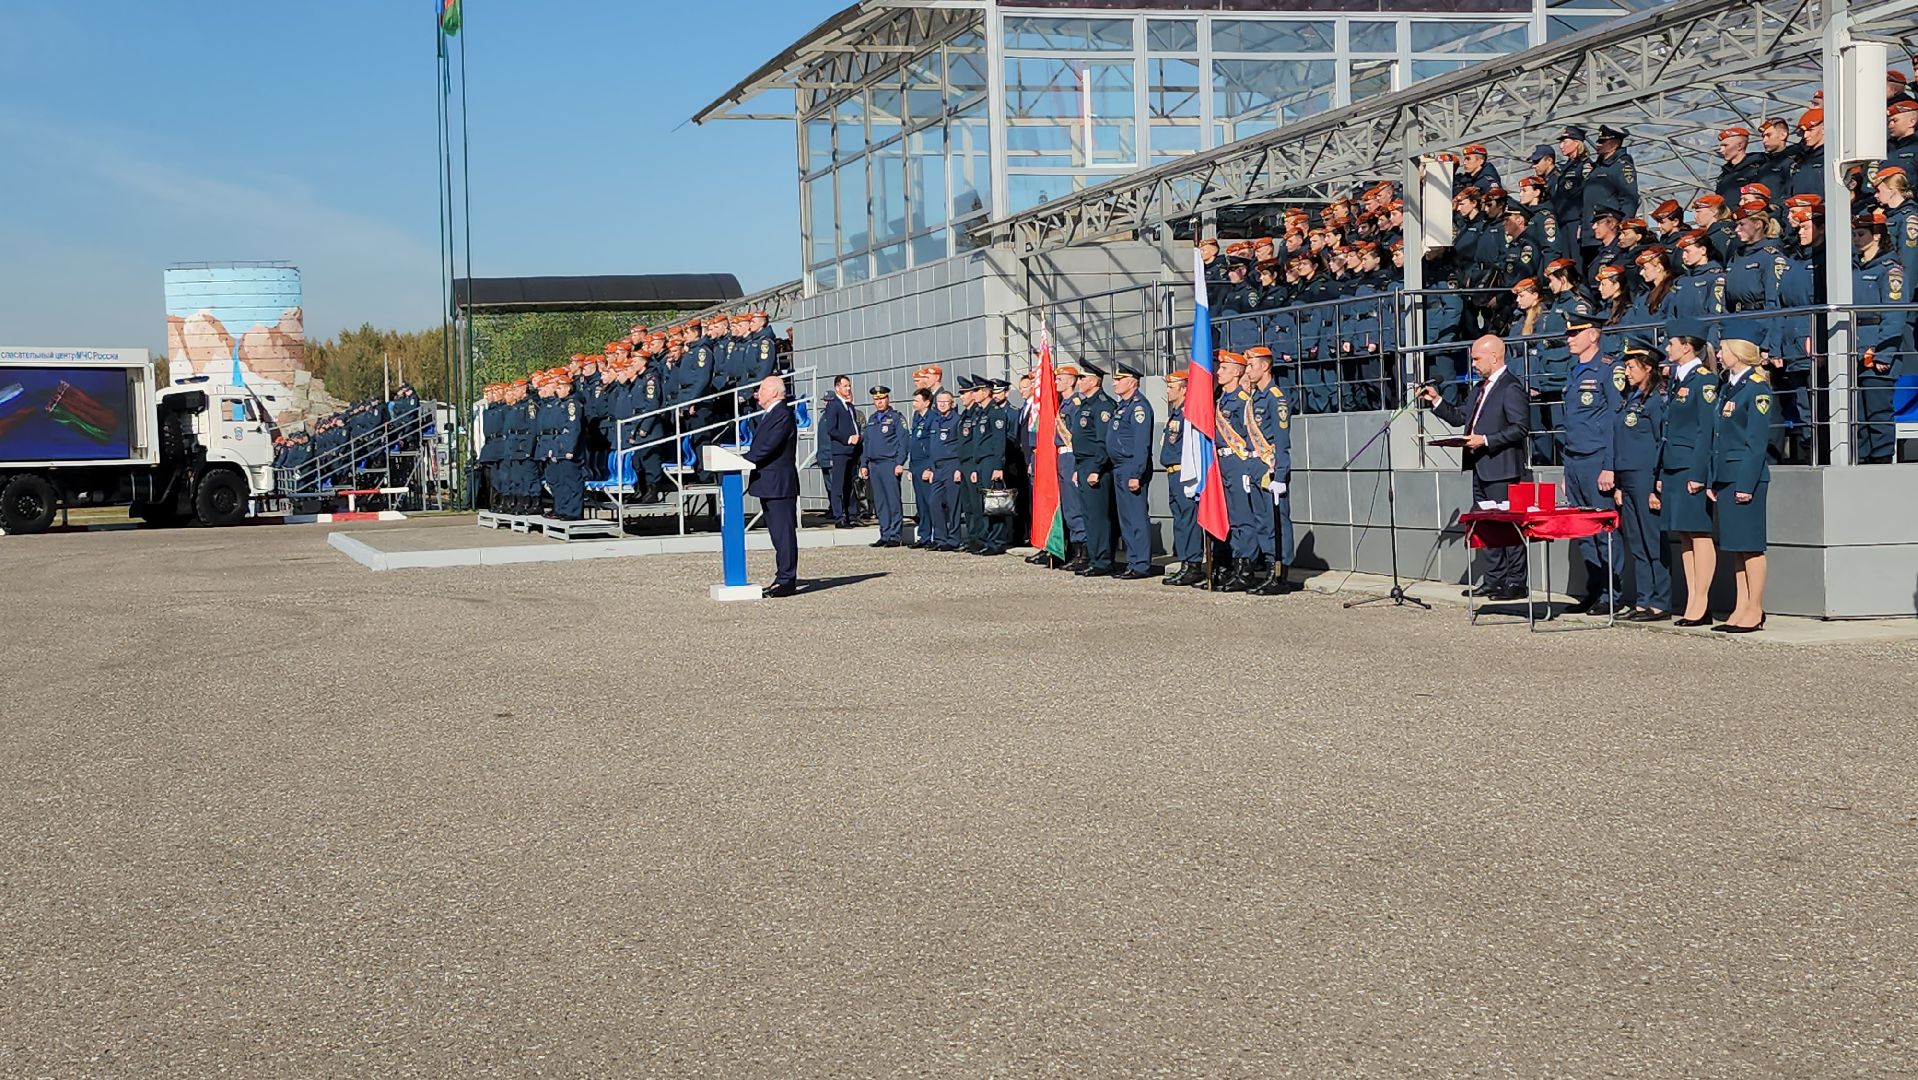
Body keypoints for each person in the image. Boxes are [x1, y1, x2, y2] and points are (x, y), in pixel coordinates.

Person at [1418, 335, 1531, 600]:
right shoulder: (1480, 389)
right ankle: (1494, 579)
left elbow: (1520, 428)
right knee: (1486, 525)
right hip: (1480, 466)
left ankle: (1516, 581)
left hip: (1503, 468)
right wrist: (1436, 401)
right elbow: (1460, 417)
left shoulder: (1510, 387)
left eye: (1477, 358)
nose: (1474, 364)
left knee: (1509, 527)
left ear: (1494, 356)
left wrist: (1487, 440)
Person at [1559, 314, 1623, 615]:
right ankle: (1594, 589)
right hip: (1574, 459)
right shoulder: (1574, 371)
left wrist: (1610, 466)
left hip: (1597, 459)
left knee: (1603, 529)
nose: (1569, 338)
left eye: (1576, 333)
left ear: (1593, 335)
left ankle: (1613, 593)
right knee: (1582, 531)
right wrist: (1565, 468)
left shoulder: (1609, 369)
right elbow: (1571, 423)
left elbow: (1615, 420)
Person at [1657, 320, 1719, 626]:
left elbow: (1706, 430)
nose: (1667, 348)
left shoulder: (1704, 381)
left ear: (1686, 346)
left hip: (1689, 466)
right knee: (1683, 534)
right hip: (1673, 463)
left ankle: (1702, 600)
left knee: (1698, 532)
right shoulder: (1676, 378)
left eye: (1671, 343)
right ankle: (1694, 596)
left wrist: (1699, 472)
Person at [1708, 335, 1771, 631]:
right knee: (1736, 546)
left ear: (1739, 353)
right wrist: (1713, 477)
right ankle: (1741, 606)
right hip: (1727, 476)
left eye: (1723, 349)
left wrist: (1745, 484)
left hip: (1745, 477)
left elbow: (1756, 443)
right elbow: (1719, 438)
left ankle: (1755, 609)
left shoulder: (1756, 389)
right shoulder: (1729, 388)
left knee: (1751, 547)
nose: (1719, 354)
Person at [1612, 343, 1670, 621]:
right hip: (1628, 477)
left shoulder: (1657, 399)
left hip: (1647, 476)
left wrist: (1658, 483)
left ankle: (1660, 601)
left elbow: (1661, 441)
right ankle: (1644, 599)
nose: (1627, 371)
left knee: (1652, 540)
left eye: (1632, 366)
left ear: (1648, 367)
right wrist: (1620, 484)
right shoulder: (1630, 397)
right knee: (1636, 542)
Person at [740, 376, 801, 597]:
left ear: (775, 392)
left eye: (762, 389)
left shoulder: (782, 414)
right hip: (769, 483)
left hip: (779, 484)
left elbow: (769, 446)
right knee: (777, 533)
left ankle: (786, 580)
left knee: (783, 533)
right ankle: (781, 576)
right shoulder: (771, 414)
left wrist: (744, 460)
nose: (758, 393)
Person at [1243, 346, 1295, 596]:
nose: (1248, 370)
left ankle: (1279, 574)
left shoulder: (1276, 398)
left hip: (1271, 469)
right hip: (1256, 467)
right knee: (1262, 522)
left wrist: (1282, 476)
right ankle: (1267, 570)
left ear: (1264, 366)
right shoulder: (1255, 399)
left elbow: (1282, 441)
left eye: (1251, 365)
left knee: (1277, 523)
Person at [1106, 361, 1156, 579]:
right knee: (1125, 519)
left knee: (1136, 517)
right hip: (1119, 467)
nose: (1115, 383)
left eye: (1119, 380)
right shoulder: (1123, 406)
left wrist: (1136, 473)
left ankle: (1141, 564)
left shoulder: (1139, 407)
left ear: (1132, 383)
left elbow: (1141, 444)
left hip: (1130, 467)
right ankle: (1132, 560)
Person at [1159, 372, 1206, 587]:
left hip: (1185, 473)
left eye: (1172, 387)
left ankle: (1193, 564)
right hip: (1173, 472)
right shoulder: (1176, 412)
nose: (1167, 390)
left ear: (1184, 389)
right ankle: (1185, 562)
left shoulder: (1189, 413)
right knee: (1179, 520)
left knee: (1188, 520)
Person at [1071, 362, 1117, 576]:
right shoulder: (1086, 404)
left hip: (1094, 464)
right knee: (1088, 515)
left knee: (1098, 516)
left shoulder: (1103, 405)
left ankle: (1103, 560)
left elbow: (1103, 442)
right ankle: (1094, 556)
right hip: (1083, 463)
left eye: (1082, 378)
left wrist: (1096, 469)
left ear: (1094, 381)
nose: (1079, 382)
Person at [858, 387, 906, 547]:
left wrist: (900, 462)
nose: (879, 402)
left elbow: (903, 441)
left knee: (892, 500)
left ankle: (895, 535)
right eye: (876, 400)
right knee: (880, 501)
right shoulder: (872, 419)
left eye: (882, 399)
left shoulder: (896, 418)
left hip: (889, 463)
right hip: (874, 465)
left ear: (888, 399)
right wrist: (863, 463)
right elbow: (867, 444)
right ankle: (884, 533)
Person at [819, 374, 861, 525]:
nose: (848, 389)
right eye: (845, 386)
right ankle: (839, 515)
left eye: (849, 386)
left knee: (850, 484)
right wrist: (847, 438)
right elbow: (832, 429)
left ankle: (851, 514)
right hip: (840, 451)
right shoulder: (834, 405)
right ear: (837, 388)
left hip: (852, 450)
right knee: (838, 484)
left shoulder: (849, 406)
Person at [927, 389, 962, 551]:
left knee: (953, 504)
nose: (941, 404)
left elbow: (961, 446)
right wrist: (931, 468)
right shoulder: (935, 421)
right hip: (937, 467)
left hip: (952, 465)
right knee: (934, 501)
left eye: (945, 402)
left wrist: (958, 468)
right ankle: (940, 537)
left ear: (952, 404)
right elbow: (933, 447)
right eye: (939, 401)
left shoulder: (957, 421)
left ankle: (954, 538)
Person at [906, 387, 937, 548]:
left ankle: (933, 536)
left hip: (926, 464)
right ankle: (924, 536)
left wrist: (931, 468)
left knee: (930, 501)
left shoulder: (933, 418)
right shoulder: (916, 417)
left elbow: (933, 446)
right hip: (916, 465)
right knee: (921, 504)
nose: (913, 404)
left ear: (927, 402)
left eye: (917, 401)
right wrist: (911, 468)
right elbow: (914, 443)